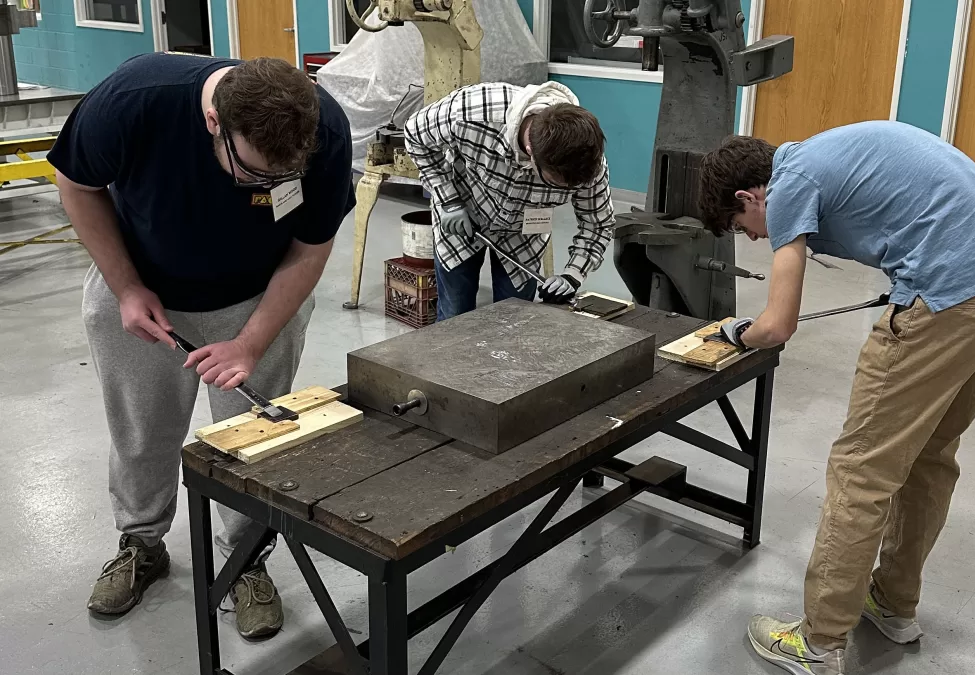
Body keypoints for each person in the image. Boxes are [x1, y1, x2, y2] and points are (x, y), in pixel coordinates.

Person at [698, 121, 975, 675]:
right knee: (928, 454)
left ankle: (820, 641)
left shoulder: (788, 185)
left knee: (861, 470)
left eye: (743, 227)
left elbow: (777, 326)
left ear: (750, 196)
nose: (754, 239)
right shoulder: (837, 151)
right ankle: (894, 605)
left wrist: (741, 332)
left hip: (948, 301)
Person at [49, 53, 354, 639]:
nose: (268, 190)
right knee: (142, 428)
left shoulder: (324, 129)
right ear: (214, 121)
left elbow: (310, 249)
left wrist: (250, 343)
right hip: (142, 285)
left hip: (259, 296)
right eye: (255, 175)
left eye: (281, 180)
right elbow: (77, 185)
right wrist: (125, 287)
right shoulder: (132, 101)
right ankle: (141, 543)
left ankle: (246, 561)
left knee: (253, 439)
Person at [403, 81, 614, 319]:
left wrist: (573, 274)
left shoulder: (588, 161)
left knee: (515, 321)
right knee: (455, 314)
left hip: (524, 236)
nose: (568, 189)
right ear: (531, 152)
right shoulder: (472, 112)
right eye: (555, 183)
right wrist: (448, 199)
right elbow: (414, 134)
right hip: (463, 217)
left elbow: (598, 224)